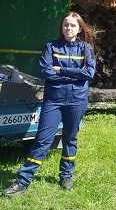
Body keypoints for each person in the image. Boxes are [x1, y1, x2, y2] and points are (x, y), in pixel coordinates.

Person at [3, 12, 96, 197]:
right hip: (53, 101)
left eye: (73, 25)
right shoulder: (51, 46)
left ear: (79, 29)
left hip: (77, 101)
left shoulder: (86, 48)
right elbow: (46, 72)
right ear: (61, 27)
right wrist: (74, 74)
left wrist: (61, 69)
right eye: (66, 25)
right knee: (42, 140)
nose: (68, 28)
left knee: (70, 139)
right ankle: (23, 181)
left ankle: (66, 176)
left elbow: (89, 73)